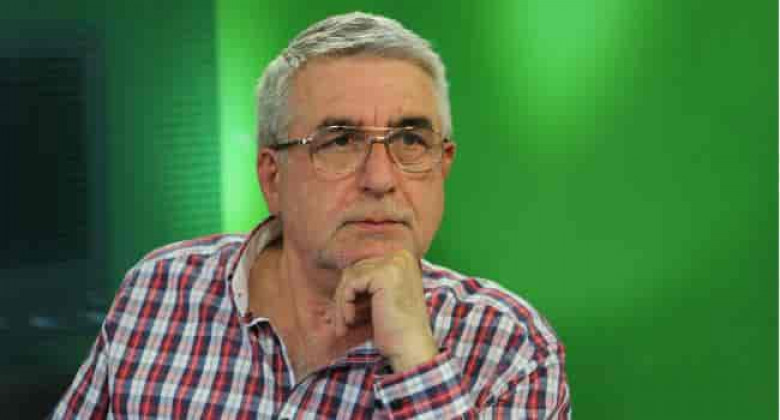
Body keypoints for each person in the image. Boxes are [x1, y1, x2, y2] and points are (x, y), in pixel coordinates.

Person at [53, 12, 570, 419]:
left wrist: (417, 362)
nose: (381, 178)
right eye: (340, 142)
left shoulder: (509, 349)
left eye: (411, 140)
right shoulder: (159, 291)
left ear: (443, 164)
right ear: (272, 177)